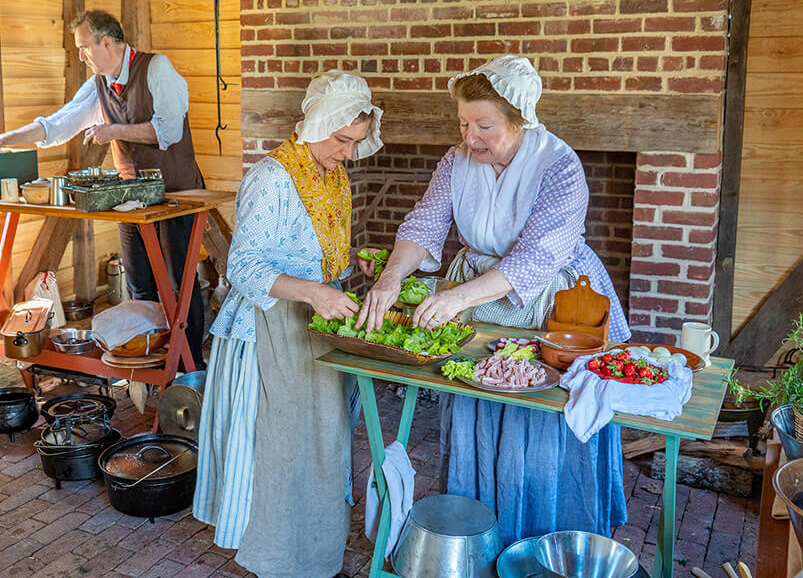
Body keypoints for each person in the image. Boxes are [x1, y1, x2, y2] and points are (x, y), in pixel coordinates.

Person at [357, 55, 631, 544]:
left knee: (539, 405)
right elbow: (425, 225)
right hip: (479, 294)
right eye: (464, 123)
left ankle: (547, 538)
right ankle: (481, 530)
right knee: (479, 398)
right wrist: (391, 276)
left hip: (552, 297)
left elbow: (536, 257)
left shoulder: (559, 164)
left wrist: (456, 297)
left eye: (484, 125)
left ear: (519, 119)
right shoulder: (456, 162)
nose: (470, 137)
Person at [193, 71, 383, 578]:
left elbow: (319, 255)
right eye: (342, 140)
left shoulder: (331, 174)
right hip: (270, 330)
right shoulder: (271, 178)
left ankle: (315, 551)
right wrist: (314, 291)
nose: (348, 152)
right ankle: (277, 556)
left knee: (322, 440)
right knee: (282, 445)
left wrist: (351, 266)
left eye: (355, 143)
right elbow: (244, 267)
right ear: (316, 122)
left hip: (313, 323)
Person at [0, 9, 208, 369]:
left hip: (178, 194)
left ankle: (189, 369)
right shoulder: (98, 84)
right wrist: (5, 140)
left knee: (179, 286)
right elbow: (57, 126)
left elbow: (168, 131)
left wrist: (113, 131)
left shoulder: (157, 69)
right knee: (140, 284)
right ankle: (149, 360)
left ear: (106, 42)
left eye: (84, 47)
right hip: (130, 198)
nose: (81, 55)